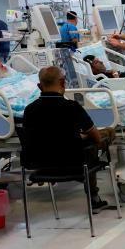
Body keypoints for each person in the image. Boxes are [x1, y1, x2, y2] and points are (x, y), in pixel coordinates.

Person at [23, 66, 110, 210]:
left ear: (39, 86)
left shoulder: (29, 110)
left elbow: (36, 138)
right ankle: (94, 196)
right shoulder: (72, 107)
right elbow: (95, 135)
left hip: (41, 165)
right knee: (106, 134)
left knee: (78, 141)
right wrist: (86, 137)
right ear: (63, 83)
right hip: (75, 163)